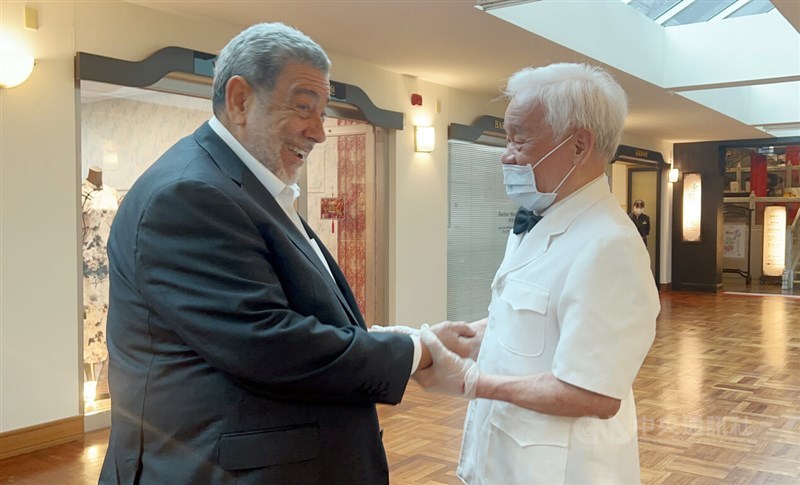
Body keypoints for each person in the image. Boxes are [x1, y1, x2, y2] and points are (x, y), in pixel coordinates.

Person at [99, 22, 471, 484]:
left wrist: (404, 336)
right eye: (302, 107)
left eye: (322, 110)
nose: (318, 131)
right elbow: (265, 343)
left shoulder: (248, 187)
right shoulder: (191, 195)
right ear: (239, 100)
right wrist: (417, 351)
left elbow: (292, 313)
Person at [413, 63, 660, 484]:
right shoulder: (542, 219)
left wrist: (475, 383)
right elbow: (539, 318)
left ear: (580, 145)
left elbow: (594, 393)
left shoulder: (609, 245)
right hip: (504, 455)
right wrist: (474, 336)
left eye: (519, 140)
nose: (506, 156)